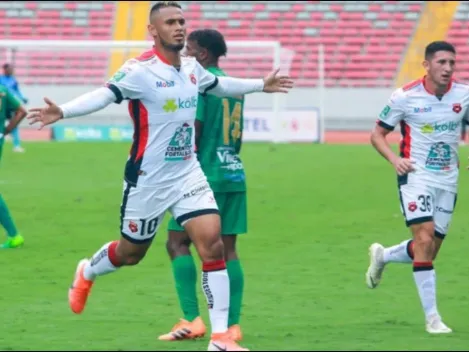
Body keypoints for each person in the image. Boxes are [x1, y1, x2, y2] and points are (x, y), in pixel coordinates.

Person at [27, 2, 293, 351]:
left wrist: (261, 84)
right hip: (148, 180)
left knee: (212, 244)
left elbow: (219, 86)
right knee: (130, 253)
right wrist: (63, 110)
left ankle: (220, 339)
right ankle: (87, 271)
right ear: (153, 30)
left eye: (182, 21)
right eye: (170, 22)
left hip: (188, 173)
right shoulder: (139, 71)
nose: (179, 27)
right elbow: (104, 95)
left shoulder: (193, 69)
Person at [366, 41, 469, 334]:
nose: (448, 68)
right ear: (426, 65)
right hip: (415, 176)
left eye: (452, 62)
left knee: (429, 250)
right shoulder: (405, 97)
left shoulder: (464, 95)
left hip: (448, 179)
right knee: (423, 240)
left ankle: (383, 256)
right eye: (441, 63)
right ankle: (433, 319)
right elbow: (377, 135)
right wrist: (394, 160)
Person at [158, 29, 247, 342]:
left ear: (203, 55)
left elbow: (192, 133)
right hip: (233, 172)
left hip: (201, 176)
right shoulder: (234, 89)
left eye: (189, 50)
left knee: (176, 242)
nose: (183, 55)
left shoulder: (199, 85)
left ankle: (192, 319)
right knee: (229, 250)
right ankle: (232, 326)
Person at [0, 84, 27, 248]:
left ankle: (14, 235)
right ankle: (14, 235)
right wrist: (6, 130)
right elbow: (22, 111)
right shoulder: (2, 89)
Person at [0, 63, 28, 152]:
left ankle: (16, 145)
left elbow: (17, 91)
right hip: (4, 104)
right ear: (5, 69)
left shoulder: (13, 80)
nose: (11, 70)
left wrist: (22, 98)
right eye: (9, 69)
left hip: (12, 104)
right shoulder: (1, 79)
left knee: (14, 123)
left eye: (12, 69)